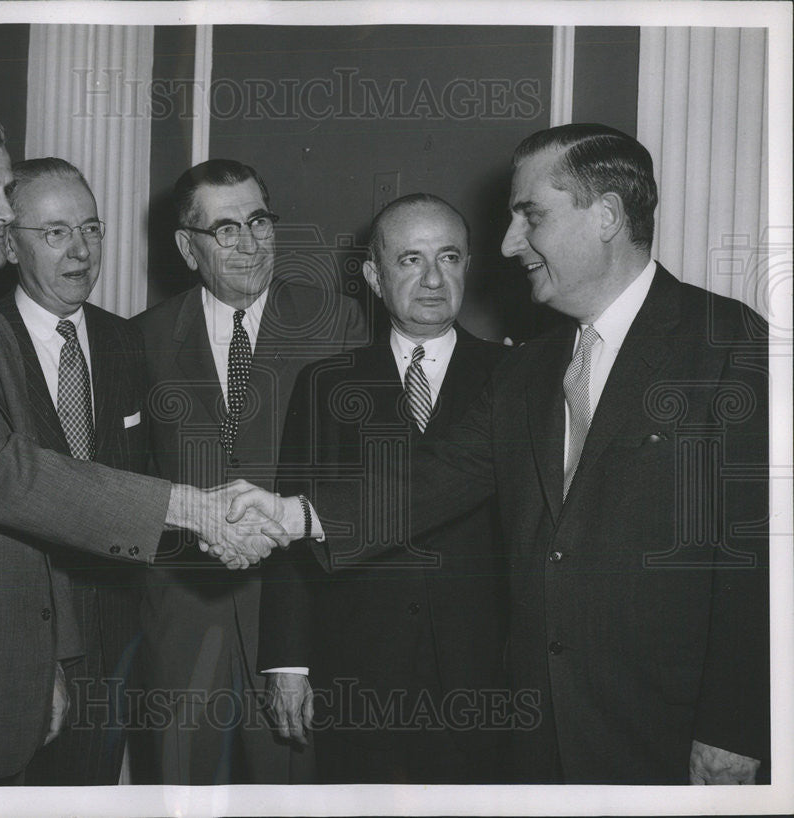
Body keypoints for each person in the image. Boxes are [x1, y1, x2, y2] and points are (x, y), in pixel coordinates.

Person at [230, 124, 770, 785]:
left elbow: (759, 562)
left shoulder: (725, 344)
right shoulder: (531, 368)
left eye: (530, 216)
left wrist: (733, 727)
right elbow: (436, 477)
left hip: (663, 730)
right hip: (533, 727)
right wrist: (297, 516)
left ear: (604, 215)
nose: (510, 244)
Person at [0, 99, 282, 786]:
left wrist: (55, 660)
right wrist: (196, 509)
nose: (4, 211)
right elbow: (3, 474)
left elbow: (29, 521)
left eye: (6, 191)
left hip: (6, 679)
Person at [126, 158, 367, 784]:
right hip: (181, 619)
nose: (251, 242)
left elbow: (355, 479)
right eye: (226, 228)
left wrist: (301, 653)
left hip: (296, 621)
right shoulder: (143, 339)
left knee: (292, 792)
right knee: (181, 791)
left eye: (259, 220)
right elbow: (131, 480)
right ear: (187, 246)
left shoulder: (338, 322)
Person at [257, 193, 509, 783]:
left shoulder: (516, 378)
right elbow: (294, 529)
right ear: (373, 275)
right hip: (358, 670)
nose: (432, 279)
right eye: (410, 260)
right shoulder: (325, 385)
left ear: (468, 265)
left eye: (449, 257)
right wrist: (286, 665)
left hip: (486, 674)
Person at [0, 157, 152, 784]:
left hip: (117, 641)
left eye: (92, 228)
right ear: (10, 243)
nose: (82, 250)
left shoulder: (128, 343)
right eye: (55, 232)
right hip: (22, 641)